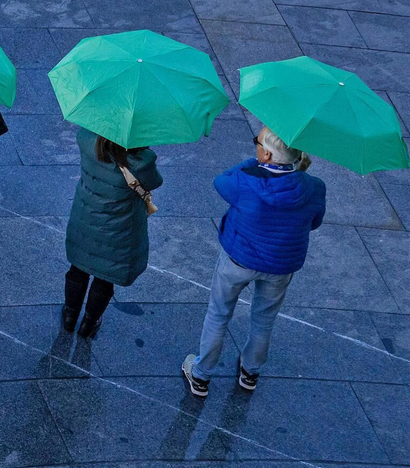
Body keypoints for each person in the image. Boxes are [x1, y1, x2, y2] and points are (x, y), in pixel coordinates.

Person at [182, 127, 326, 396]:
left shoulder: (245, 181)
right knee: (264, 319)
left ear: (267, 153)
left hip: (238, 260)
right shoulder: (314, 187)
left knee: (219, 313)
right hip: (281, 265)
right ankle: (250, 372)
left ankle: (201, 375)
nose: (254, 147)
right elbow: (314, 222)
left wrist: (253, 163)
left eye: (256, 143)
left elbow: (219, 181)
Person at [63, 126, 163, 339]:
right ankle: (89, 323)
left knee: (77, 269)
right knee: (105, 276)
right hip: (118, 229)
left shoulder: (87, 140)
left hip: (85, 216)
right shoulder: (140, 162)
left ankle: (69, 316)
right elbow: (155, 181)